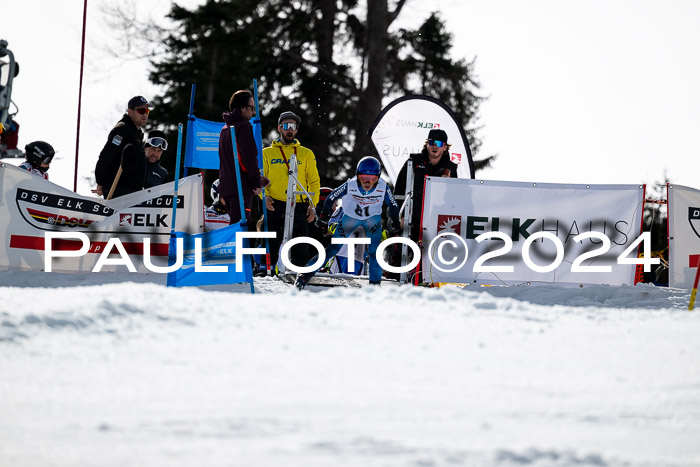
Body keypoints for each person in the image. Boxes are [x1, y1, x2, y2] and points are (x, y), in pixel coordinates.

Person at [295, 156, 401, 290]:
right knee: (333, 248)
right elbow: (331, 197)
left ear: (378, 177)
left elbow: (393, 206)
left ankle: (374, 286)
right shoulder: (350, 184)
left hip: (371, 220)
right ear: (357, 176)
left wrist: (395, 224)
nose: (367, 183)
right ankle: (305, 275)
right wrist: (323, 217)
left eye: (372, 179)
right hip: (351, 218)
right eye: (363, 178)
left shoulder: (383, 187)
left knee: (375, 253)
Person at [262, 111, 321, 272]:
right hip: (275, 204)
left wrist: (312, 205)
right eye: (286, 126)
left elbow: (314, 182)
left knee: (300, 244)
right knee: (270, 241)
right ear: (279, 128)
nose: (290, 129)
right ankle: (263, 270)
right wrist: (264, 197)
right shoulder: (267, 153)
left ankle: (300, 274)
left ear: (296, 130)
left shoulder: (306, 153)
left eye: (293, 126)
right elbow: (260, 179)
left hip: (298, 204)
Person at [394, 128, 458, 242]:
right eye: (432, 142)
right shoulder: (413, 161)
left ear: (445, 147)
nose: (435, 146)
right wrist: (402, 216)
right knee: (404, 254)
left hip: (437, 221)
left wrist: (449, 184)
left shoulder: (451, 168)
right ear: (427, 144)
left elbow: (455, 199)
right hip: (413, 219)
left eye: (439, 143)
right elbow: (399, 190)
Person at [218, 90, 268, 225]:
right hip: (240, 187)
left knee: (233, 227)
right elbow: (248, 157)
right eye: (252, 108)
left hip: (227, 186)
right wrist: (256, 182)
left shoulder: (225, 128)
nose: (253, 113)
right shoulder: (243, 126)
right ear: (242, 108)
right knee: (241, 228)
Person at [94, 96, 150, 198]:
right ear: (130, 112)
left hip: (132, 190)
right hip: (119, 188)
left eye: (147, 111)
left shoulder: (137, 133)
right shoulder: (123, 130)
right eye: (141, 111)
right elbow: (107, 155)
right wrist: (100, 181)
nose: (145, 114)